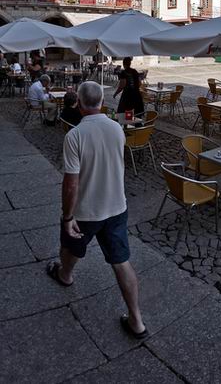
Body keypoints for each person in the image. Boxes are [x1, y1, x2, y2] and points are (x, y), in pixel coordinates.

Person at [47, 81, 146, 339]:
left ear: (79, 104)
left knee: (70, 248)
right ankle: (136, 320)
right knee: (121, 262)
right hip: (116, 207)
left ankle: (65, 275)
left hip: (86, 212)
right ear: (103, 102)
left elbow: (71, 183)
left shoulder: (75, 135)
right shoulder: (117, 129)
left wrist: (67, 217)